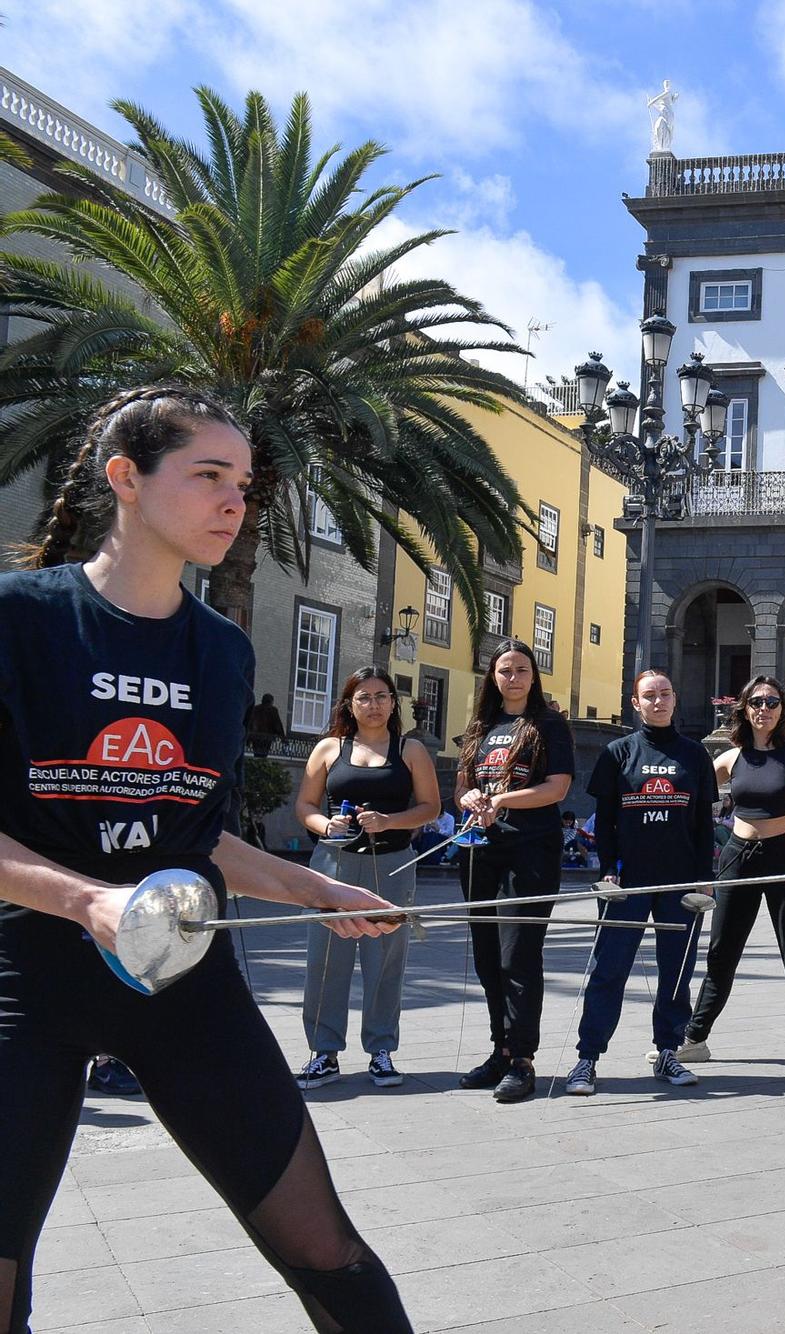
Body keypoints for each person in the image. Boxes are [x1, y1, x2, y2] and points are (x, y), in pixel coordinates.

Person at [0, 385, 410, 1330]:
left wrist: (315, 890)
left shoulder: (222, 653)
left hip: (186, 979)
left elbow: (196, 834)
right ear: (126, 480)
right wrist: (87, 903)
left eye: (246, 482)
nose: (237, 500)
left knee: (327, 1249)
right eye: (209, 476)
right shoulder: (22, 619)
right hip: (27, 978)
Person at [564, 670, 716, 1095]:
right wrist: (607, 869)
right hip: (627, 881)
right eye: (649, 695)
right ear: (636, 703)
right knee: (609, 971)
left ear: (674, 698)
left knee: (677, 972)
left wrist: (705, 878)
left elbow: (704, 824)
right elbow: (606, 822)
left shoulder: (694, 755)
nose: (659, 701)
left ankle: (668, 1051)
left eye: (666, 693)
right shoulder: (617, 753)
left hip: (680, 882)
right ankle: (587, 1058)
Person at [292, 668, 441, 1091]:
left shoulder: (410, 750)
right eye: (364, 697)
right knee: (325, 959)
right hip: (332, 865)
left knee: (386, 959)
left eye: (381, 696)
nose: (373, 705)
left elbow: (430, 807)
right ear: (349, 704)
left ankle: (381, 1050)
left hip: (391, 864)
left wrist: (390, 820)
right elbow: (304, 804)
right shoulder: (328, 748)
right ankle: (324, 1052)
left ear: (394, 703)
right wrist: (325, 824)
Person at [679, 676, 785, 1068]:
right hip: (737, 857)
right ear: (744, 709)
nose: (763, 709)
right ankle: (694, 1038)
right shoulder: (732, 758)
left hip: (784, 858)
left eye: (771, 701)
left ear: (782, 709)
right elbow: (689, 790)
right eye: (756, 702)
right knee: (721, 955)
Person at [454, 641, 576, 1104]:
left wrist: (502, 800)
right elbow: (463, 785)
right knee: (487, 958)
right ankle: (501, 1050)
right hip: (481, 853)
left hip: (530, 852)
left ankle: (523, 1059)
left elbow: (557, 787)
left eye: (522, 669)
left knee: (517, 956)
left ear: (533, 675)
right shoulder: (481, 726)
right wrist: (468, 799)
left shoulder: (548, 724)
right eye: (505, 670)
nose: (514, 678)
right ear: (493, 676)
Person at [244, 692, 286, 757]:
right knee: (263, 755)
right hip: (267, 737)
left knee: (257, 755)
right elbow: (277, 725)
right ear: (271, 701)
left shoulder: (256, 709)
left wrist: (248, 739)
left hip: (256, 737)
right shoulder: (273, 710)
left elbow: (250, 724)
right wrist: (282, 738)